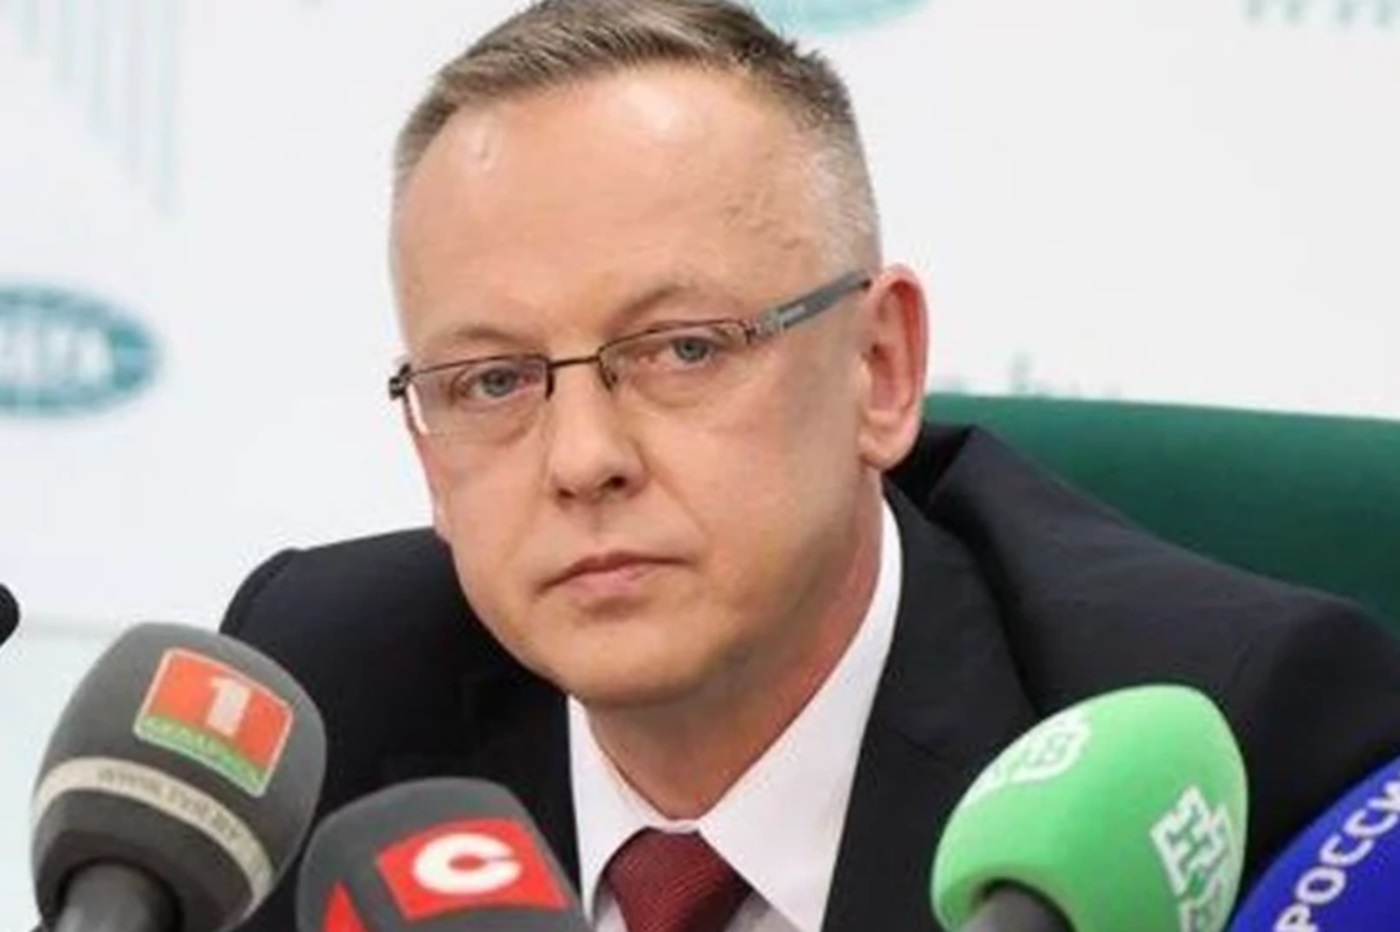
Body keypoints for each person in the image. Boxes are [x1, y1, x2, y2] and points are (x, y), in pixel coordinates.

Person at [224, 1, 1400, 929]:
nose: (581, 458)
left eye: (682, 348)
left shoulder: (1226, 749)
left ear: (878, 369)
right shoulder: (317, 699)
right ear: (425, 451)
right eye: (490, 381)